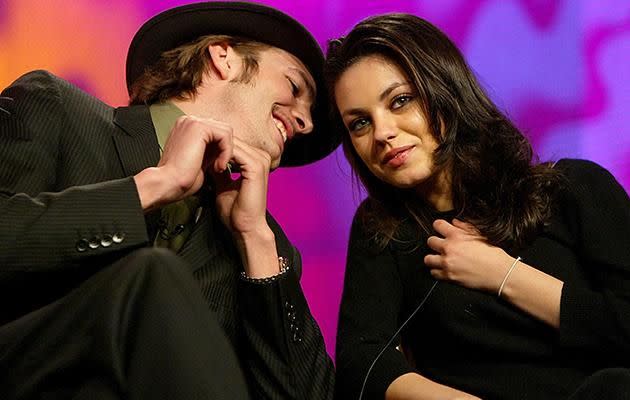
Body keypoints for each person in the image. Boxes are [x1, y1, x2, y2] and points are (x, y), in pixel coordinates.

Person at [0, 2, 339, 399]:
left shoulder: (261, 249)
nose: (307, 122)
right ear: (223, 57)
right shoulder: (57, 108)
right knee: (151, 275)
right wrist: (153, 186)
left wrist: (256, 242)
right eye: (295, 88)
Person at [325, 13, 630, 400]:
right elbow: (362, 363)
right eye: (360, 124)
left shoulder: (574, 190)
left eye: (400, 101)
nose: (383, 133)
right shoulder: (383, 231)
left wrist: (504, 274)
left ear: (444, 91)